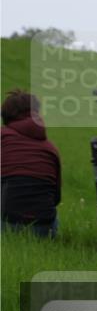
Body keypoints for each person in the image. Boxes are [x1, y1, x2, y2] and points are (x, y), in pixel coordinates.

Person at [1, 90, 61, 238]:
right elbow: (56, 197)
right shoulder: (50, 149)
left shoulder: (2, 138)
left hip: (5, 223)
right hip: (43, 229)